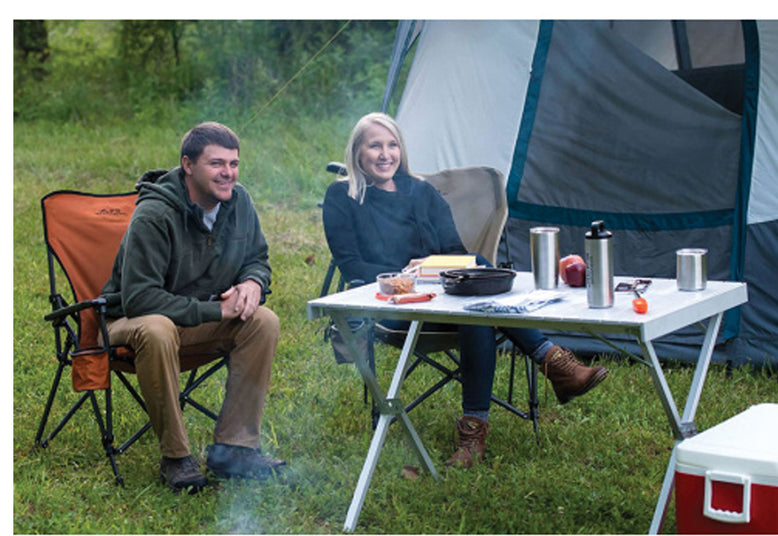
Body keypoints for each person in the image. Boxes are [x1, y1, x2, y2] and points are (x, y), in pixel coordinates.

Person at [322, 112, 609, 469]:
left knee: (475, 284)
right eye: (374, 146)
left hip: (445, 296)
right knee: (478, 300)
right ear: (357, 152)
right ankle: (554, 364)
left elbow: (456, 253)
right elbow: (352, 267)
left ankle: (475, 434)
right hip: (394, 306)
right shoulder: (343, 196)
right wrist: (405, 277)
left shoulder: (422, 192)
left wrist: (432, 266)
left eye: (392, 145)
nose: (385, 154)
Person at [101, 122, 284, 492]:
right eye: (216, 164)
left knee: (263, 321)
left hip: (191, 323)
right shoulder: (155, 214)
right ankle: (176, 458)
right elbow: (140, 299)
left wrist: (252, 282)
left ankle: (235, 449)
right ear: (188, 165)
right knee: (156, 328)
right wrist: (216, 312)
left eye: (233, 164)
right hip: (129, 324)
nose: (228, 173)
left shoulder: (239, 202)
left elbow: (257, 258)